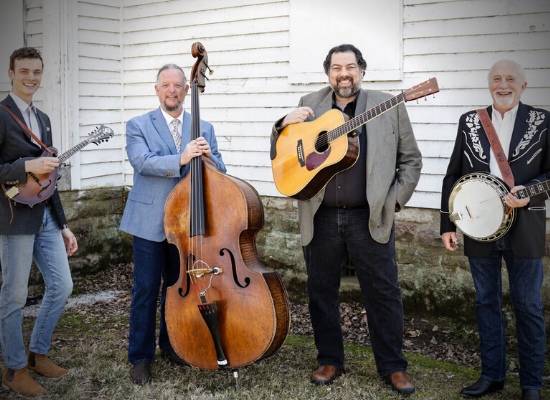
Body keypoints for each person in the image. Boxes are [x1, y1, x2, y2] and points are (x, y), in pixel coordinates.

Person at [271, 44, 422, 395]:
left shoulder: (388, 104)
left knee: (383, 292)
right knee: (321, 290)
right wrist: (281, 124)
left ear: (362, 71)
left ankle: (392, 366)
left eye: (350, 66)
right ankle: (329, 359)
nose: (344, 73)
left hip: (367, 217)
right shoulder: (311, 102)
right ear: (328, 73)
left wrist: (392, 202)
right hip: (320, 215)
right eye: (337, 67)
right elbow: (281, 148)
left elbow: (411, 161)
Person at [441, 60, 548, 400]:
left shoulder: (543, 121)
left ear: (523, 85)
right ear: (489, 85)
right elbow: (452, 175)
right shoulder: (470, 121)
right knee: (486, 302)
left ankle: (531, 384)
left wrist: (527, 193)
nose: (503, 85)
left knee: (528, 305)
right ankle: (493, 376)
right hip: (477, 227)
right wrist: (447, 223)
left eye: (511, 79)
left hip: (526, 226)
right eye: (497, 79)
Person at [119, 63, 226, 384]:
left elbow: (219, 167)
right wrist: (181, 157)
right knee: (146, 290)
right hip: (150, 221)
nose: (172, 90)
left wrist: (208, 157)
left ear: (186, 89)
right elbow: (142, 161)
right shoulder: (138, 124)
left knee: (177, 288)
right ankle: (140, 356)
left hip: (186, 225)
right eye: (166, 85)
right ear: (157, 89)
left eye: (178, 85)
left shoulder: (203, 126)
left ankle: (170, 345)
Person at [0, 47, 78, 396]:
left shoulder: (43, 118)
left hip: (45, 217)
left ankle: (37, 354)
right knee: (14, 296)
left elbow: (49, 178)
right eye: (25, 71)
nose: (31, 78)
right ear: (11, 73)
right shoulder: (1, 115)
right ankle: (14, 369)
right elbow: (22, 170)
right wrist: (26, 166)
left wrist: (62, 224)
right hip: (14, 219)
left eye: (37, 72)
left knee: (62, 286)